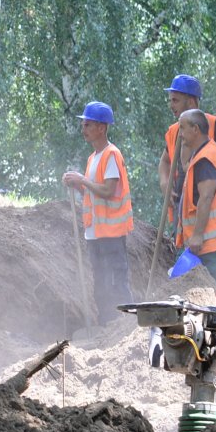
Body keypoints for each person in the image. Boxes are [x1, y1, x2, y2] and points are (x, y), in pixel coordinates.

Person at [62, 101, 133, 309]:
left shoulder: (111, 154)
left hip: (111, 233)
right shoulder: (93, 158)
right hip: (95, 233)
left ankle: (124, 328)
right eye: (83, 124)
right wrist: (78, 185)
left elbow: (108, 191)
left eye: (87, 125)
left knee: (116, 283)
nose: (83, 129)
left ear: (101, 127)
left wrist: (82, 180)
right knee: (100, 285)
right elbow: (93, 193)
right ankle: (105, 328)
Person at [157, 75, 216, 228]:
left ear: (191, 102)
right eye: (170, 100)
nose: (171, 105)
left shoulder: (213, 125)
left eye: (175, 100)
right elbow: (165, 161)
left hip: (208, 215)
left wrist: (214, 189)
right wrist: (165, 183)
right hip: (182, 214)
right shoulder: (174, 131)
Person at [173, 108, 216, 288]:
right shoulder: (208, 152)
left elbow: (206, 197)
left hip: (210, 243)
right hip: (211, 242)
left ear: (195, 129)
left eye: (182, 128)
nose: (180, 135)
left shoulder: (206, 158)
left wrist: (197, 235)